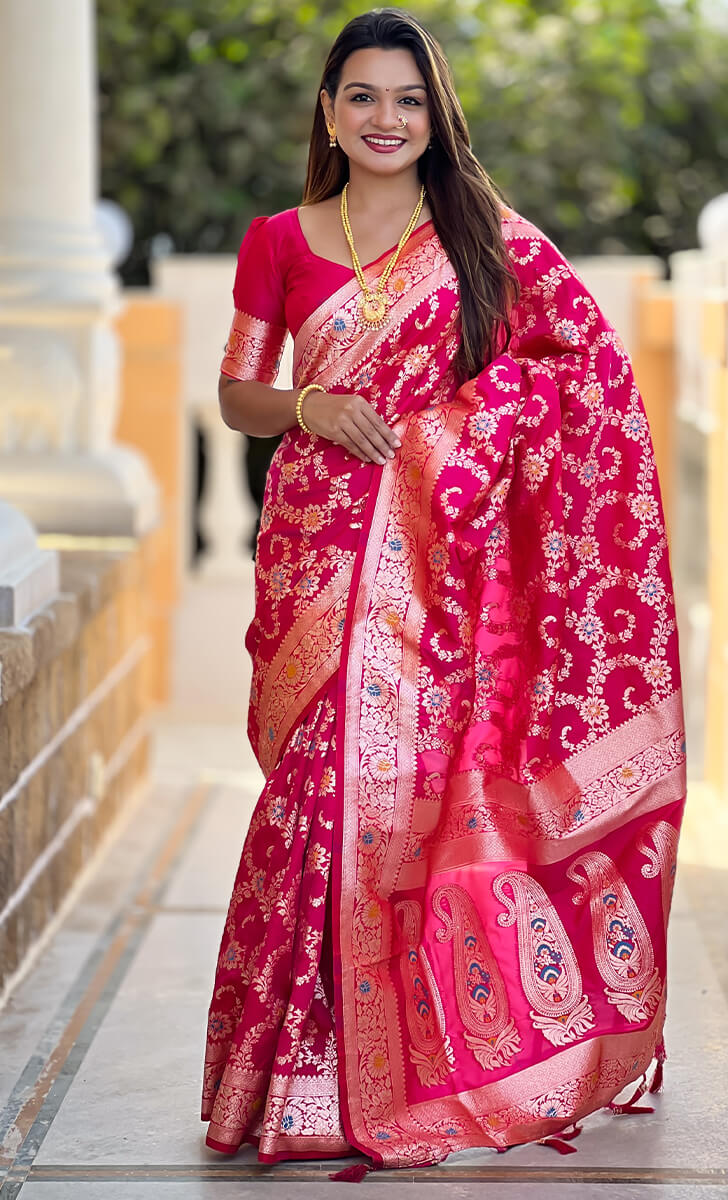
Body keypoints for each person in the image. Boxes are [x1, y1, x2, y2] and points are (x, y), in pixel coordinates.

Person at [201, 7, 686, 1174]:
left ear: (435, 116)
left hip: (438, 563)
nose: (384, 118)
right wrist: (311, 406)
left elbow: (589, 369)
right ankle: (286, 1074)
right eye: (361, 96)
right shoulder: (280, 238)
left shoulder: (480, 235)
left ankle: (389, 1071)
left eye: (407, 100)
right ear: (327, 110)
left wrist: (454, 438)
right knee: (312, 788)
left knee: (395, 800)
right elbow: (236, 395)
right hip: (317, 541)